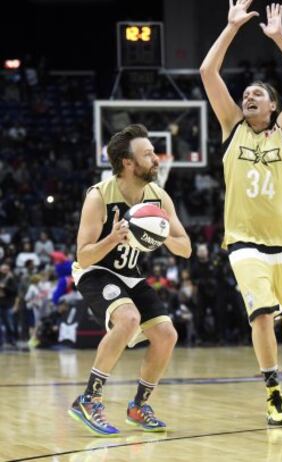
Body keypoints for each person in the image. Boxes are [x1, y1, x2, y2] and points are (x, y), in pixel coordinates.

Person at [200, 0, 282, 427]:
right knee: (261, 313)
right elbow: (208, 72)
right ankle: (271, 389)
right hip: (245, 242)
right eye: (245, 93)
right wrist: (232, 27)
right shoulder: (231, 129)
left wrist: (280, 38)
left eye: (258, 94)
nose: (248, 95)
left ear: (272, 106)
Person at [68, 124, 191, 436]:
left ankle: (138, 406)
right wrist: (112, 238)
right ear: (128, 162)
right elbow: (83, 256)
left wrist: (162, 236)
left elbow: (186, 248)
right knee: (128, 318)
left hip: (131, 275)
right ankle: (88, 399)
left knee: (166, 334)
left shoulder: (158, 198)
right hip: (96, 271)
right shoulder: (99, 196)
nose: (156, 158)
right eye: (148, 154)